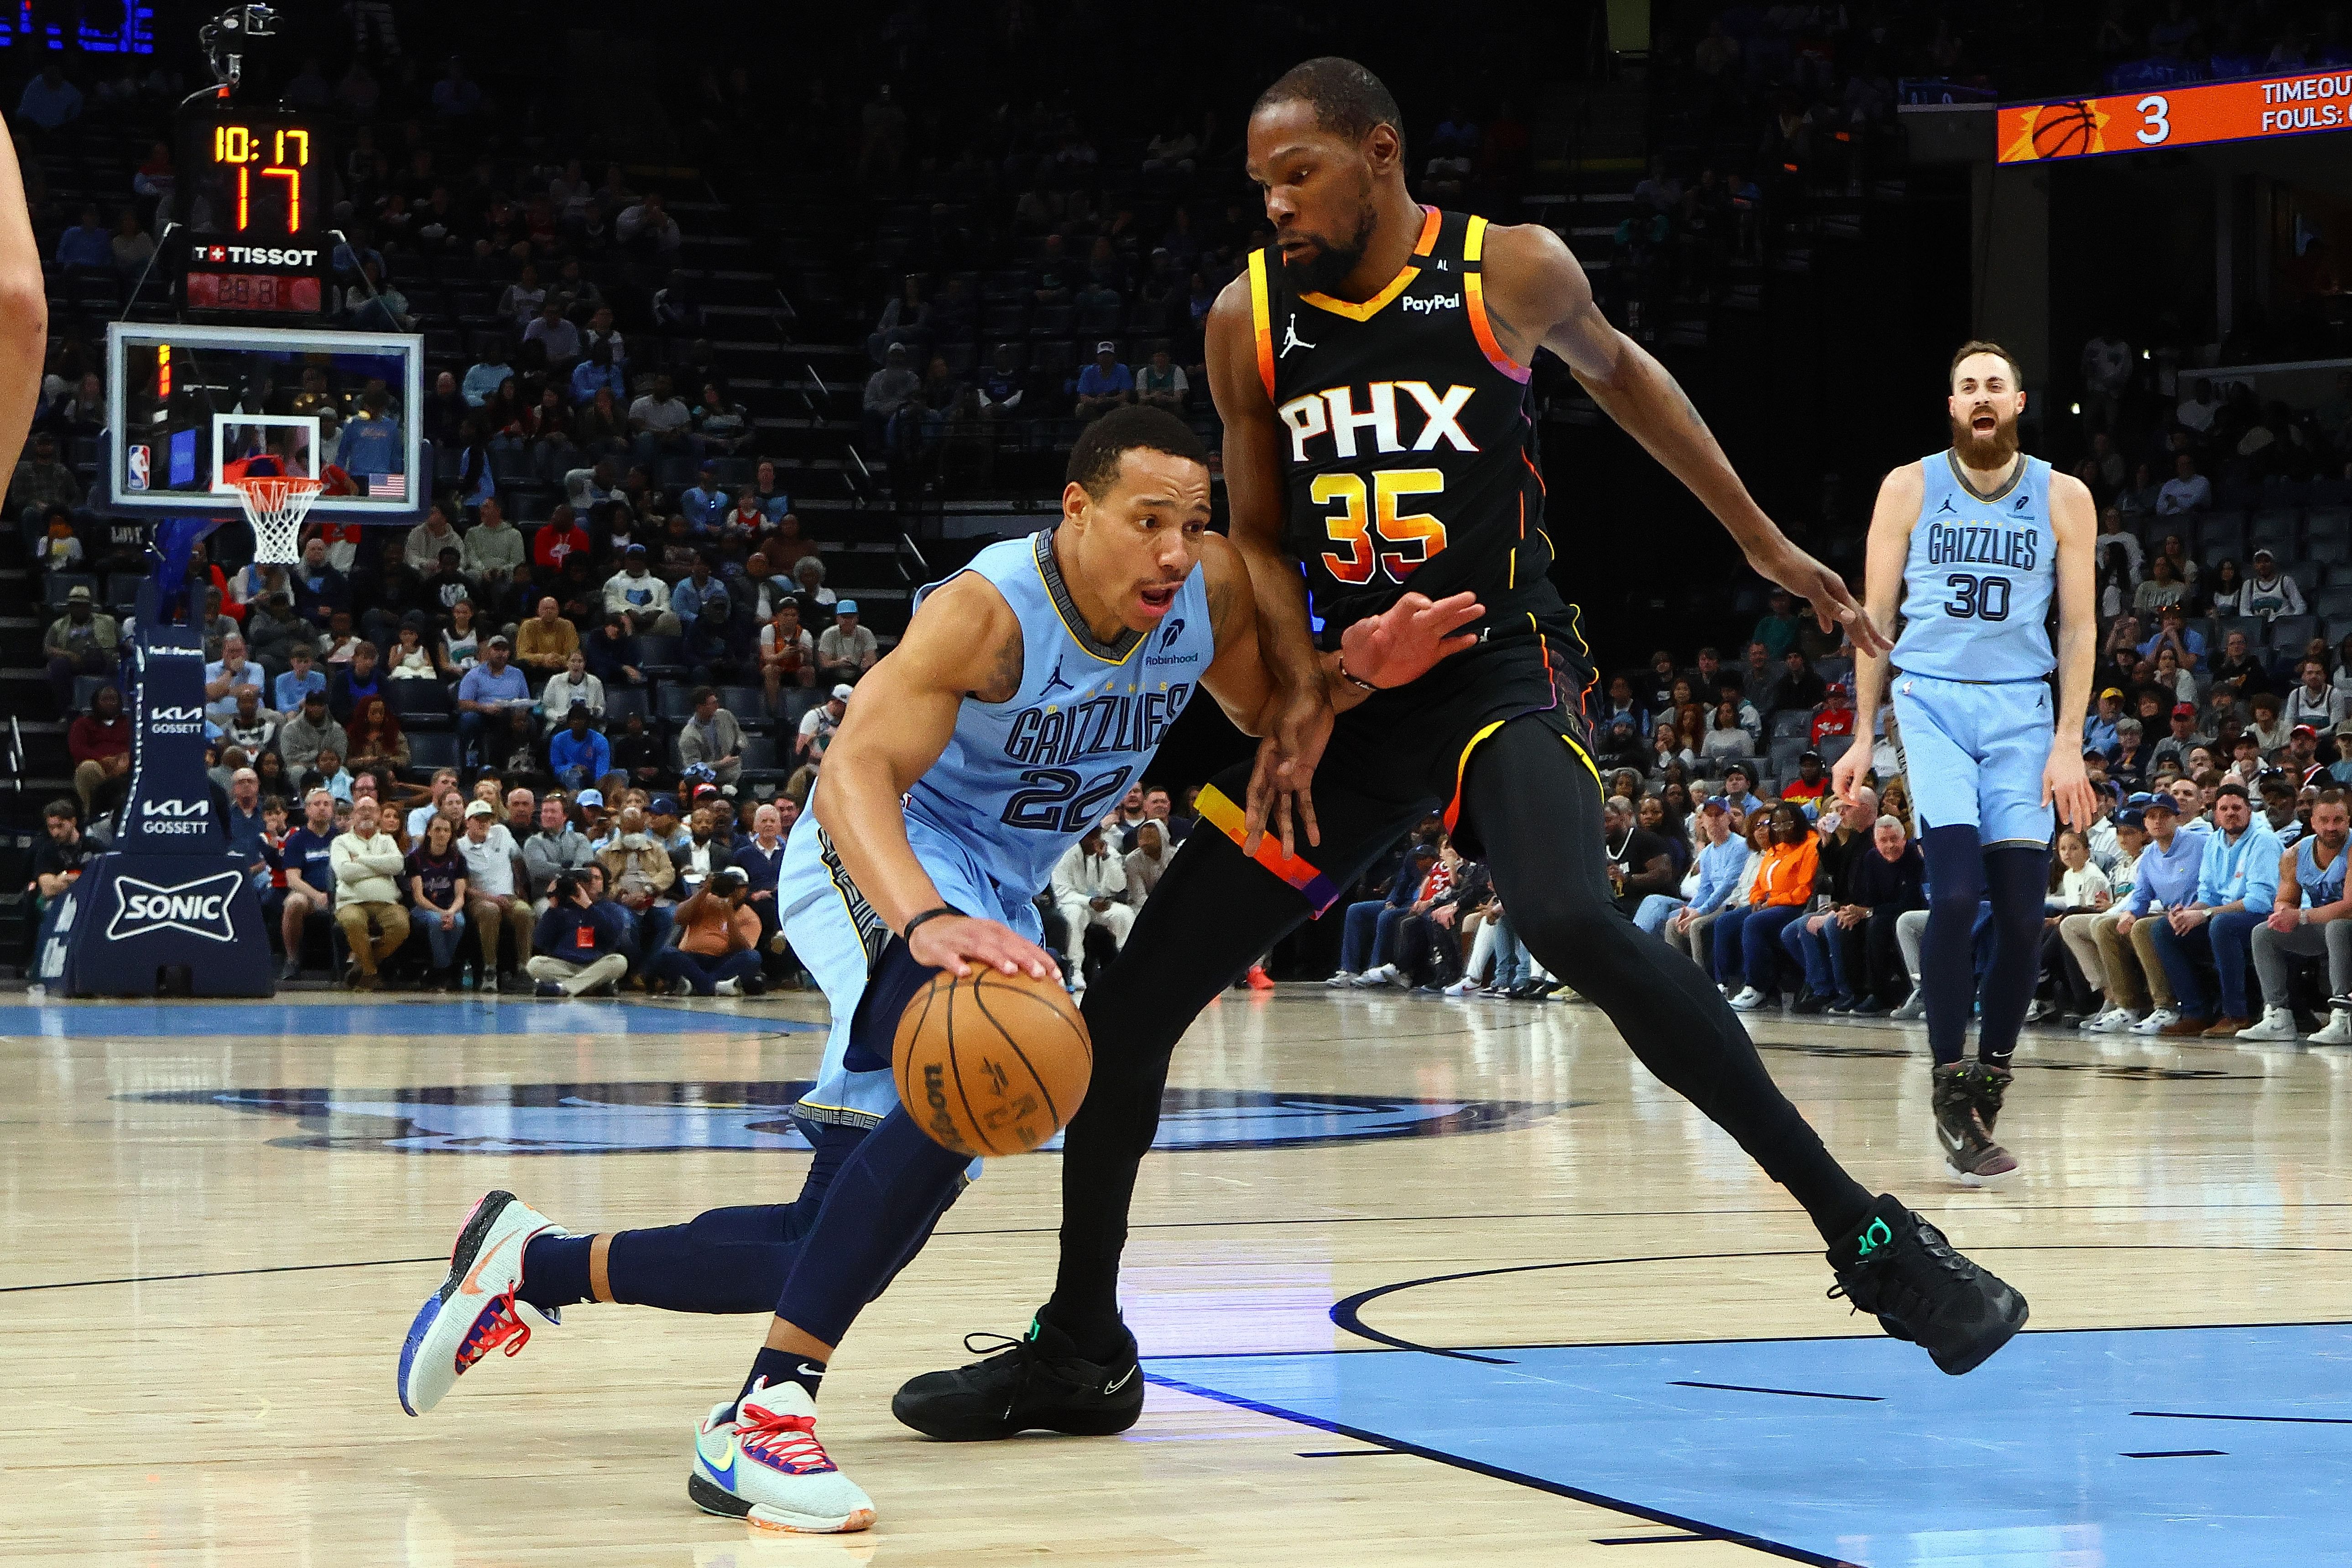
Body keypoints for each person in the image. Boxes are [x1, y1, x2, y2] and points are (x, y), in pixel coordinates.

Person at [895, 60, 2020, 1441]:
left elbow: (1626, 377)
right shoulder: (1247, 319)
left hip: (1498, 660)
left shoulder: (1506, 273)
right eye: (1258, 182)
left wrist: (1759, 541)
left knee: (1562, 912)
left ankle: (1871, 1242)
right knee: (1126, 1016)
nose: (1272, 203)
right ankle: (1079, 1346)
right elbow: (1252, 538)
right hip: (1354, 702)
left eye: (1294, 172)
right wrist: (1304, 679)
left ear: (1377, 155)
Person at [391, 405, 1471, 1531]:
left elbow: (1263, 710)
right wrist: (919, 922)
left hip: (995, 888)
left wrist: (1352, 673)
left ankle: (530, 1264)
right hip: (880, 852)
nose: (1172, 548)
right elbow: (855, 768)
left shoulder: (1205, 594)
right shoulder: (988, 612)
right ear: (1077, 510)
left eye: (1191, 522)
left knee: (829, 1242)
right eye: (1147, 519)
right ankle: (763, 1419)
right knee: (966, 1079)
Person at [1831, 339, 2096, 1183]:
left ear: (2019, 401)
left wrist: (2068, 740)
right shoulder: (1908, 486)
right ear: (1952, 407)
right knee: (1951, 892)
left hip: (2022, 708)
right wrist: (1864, 735)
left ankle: (1994, 1072)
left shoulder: (2066, 495)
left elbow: (2080, 628)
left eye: (1995, 385)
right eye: (1967, 387)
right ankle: (1950, 1079)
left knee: (2023, 915)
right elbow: (1874, 616)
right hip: (1934, 701)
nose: (1982, 397)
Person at [2140, 780, 2280, 1039]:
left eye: (2237, 808)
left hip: (2265, 918)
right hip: (2224, 917)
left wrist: (2204, 914)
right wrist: (2188, 913)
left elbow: (2259, 901)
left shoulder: (2264, 841)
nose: (2230, 813)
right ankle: (2196, 1012)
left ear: (2249, 810)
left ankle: (2237, 1014)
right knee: (2164, 929)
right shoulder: (2215, 841)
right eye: (2224, 808)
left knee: (2222, 925)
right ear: (2215, 813)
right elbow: (2209, 894)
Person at [2241, 789, 2352, 1044]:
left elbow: (2349, 906)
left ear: (2348, 821)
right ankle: (2278, 1015)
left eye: (2338, 820)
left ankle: (2343, 1016)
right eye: (2324, 821)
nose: (2331, 827)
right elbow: (2284, 900)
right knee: (2264, 933)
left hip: (2346, 926)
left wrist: (2300, 917)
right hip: (2322, 927)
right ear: (2313, 822)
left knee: (2338, 926)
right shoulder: (2294, 854)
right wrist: (2283, 913)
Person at [643, 865, 765, 996]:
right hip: (692, 958)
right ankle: (714, 987)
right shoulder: (705, 900)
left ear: (745, 889)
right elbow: (679, 918)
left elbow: (741, 948)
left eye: (737, 887)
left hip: (722, 962)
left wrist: (729, 913)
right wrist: (705, 890)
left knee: (753, 957)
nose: (732, 891)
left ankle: (698, 984)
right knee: (668, 953)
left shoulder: (750, 917)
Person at [331, 797, 410, 990]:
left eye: (371, 809)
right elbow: (345, 872)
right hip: (351, 902)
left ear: (378, 816)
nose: (366, 813)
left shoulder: (387, 840)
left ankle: (363, 961)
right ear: (353, 816)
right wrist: (380, 866)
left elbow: (397, 865)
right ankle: (370, 973)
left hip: (387, 902)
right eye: (361, 809)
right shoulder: (340, 842)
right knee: (353, 921)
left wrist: (361, 859)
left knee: (401, 925)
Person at [458, 798, 532, 989]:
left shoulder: (502, 833)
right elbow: (463, 886)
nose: (484, 824)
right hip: (479, 899)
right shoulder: (460, 847)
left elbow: (517, 860)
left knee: (524, 911)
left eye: (487, 819)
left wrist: (519, 887)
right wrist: (491, 899)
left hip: (509, 897)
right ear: (468, 822)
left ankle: (525, 968)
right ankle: (489, 969)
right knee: (490, 911)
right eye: (478, 819)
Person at [1050, 823, 1133, 990]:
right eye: (1091, 837)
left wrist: (1107, 859)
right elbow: (1062, 893)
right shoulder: (1065, 853)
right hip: (1070, 904)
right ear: (1081, 836)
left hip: (1098, 905)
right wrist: (1088, 902)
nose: (1095, 842)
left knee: (1124, 913)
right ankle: (1075, 970)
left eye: (1098, 836)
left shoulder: (1107, 852)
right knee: (1076, 913)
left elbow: (1119, 886)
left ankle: (1124, 965)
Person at [525, 870, 631, 996]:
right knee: (534, 964)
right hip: (564, 966)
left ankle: (563, 989)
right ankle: (593, 986)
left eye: (595, 879)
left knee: (619, 962)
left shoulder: (608, 908)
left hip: (595, 964)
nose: (581, 887)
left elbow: (613, 937)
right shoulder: (559, 909)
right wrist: (553, 905)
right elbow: (540, 942)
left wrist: (589, 907)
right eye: (578, 883)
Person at [407, 814, 471, 988]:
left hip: (450, 907)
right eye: (437, 829)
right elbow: (419, 897)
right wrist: (441, 913)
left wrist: (451, 912)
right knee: (436, 922)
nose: (441, 834)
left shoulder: (458, 859)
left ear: (451, 834)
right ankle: (444, 969)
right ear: (429, 832)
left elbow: (460, 896)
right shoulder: (415, 859)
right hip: (423, 909)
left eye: (446, 830)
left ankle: (438, 970)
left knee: (460, 923)